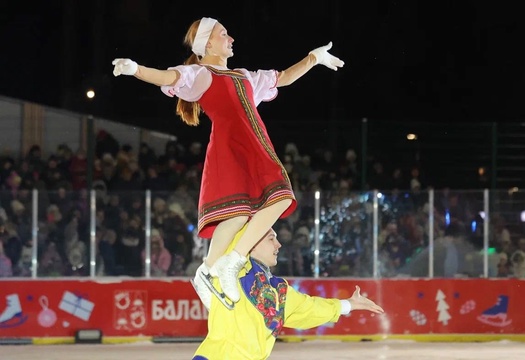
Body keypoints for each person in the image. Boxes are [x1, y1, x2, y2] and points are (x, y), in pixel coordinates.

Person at [112, 17, 345, 307]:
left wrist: (314, 58)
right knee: (281, 198)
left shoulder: (244, 76)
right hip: (232, 148)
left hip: (254, 145)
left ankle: (208, 271)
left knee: (237, 215)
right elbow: (167, 77)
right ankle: (231, 262)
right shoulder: (200, 74)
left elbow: (282, 77)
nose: (231, 38)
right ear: (207, 43)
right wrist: (135, 69)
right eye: (224, 34)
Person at [192, 226, 384, 359]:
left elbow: (309, 308)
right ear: (250, 243)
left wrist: (349, 304)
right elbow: (238, 226)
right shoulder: (232, 269)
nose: (278, 244)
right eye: (271, 238)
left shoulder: (279, 289)